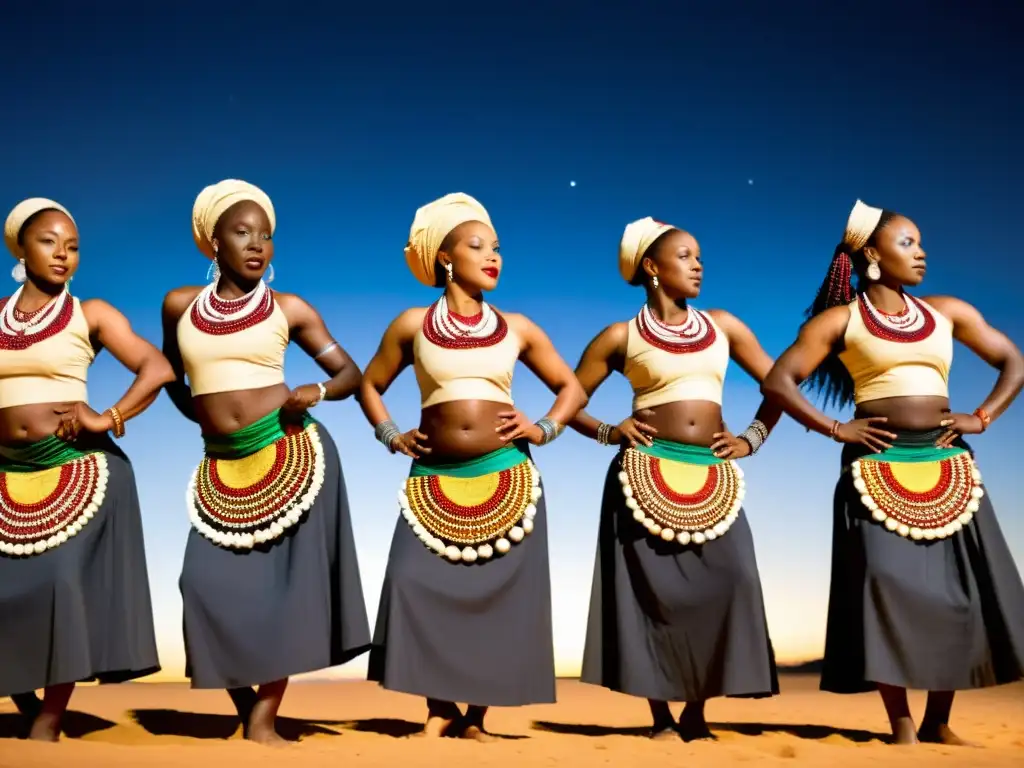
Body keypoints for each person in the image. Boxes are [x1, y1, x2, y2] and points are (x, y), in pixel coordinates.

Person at [761, 199, 1024, 745]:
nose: (922, 252)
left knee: (955, 594)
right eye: (908, 243)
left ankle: (937, 722)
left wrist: (982, 416)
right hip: (874, 466)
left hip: (948, 461)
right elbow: (779, 381)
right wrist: (835, 429)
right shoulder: (840, 321)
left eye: (921, 242)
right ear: (872, 256)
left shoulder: (947, 311)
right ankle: (901, 725)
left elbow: (1013, 361)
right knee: (885, 588)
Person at [361, 192, 587, 741]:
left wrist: (545, 428)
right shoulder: (411, 324)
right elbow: (370, 384)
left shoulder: (518, 327)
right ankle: (439, 710)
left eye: (498, 248)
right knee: (414, 584)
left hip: (508, 472)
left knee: (502, 602)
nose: (493, 256)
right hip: (432, 477)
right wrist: (390, 433)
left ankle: (476, 719)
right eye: (478, 245)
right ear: (445, 257)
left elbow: (571, 387)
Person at [160, 179, 371, 744]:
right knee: (197, 584)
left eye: (267, 236)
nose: (257, 245)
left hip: (292, 456)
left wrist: (317, 392)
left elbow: (350, 374)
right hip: (222, 465)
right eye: (242, 232)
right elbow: (168, 377)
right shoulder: (179, 306)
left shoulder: (289, 309)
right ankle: (243, 702)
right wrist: (208, 424)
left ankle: (261, 718)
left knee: (287, 594)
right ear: (213, 244)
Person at [572, 216, 780, 741]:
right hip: (643, 474)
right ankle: (662, 718)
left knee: (734, 578)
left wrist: (752, 437)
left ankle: (697, 713)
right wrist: (608, 431)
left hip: (712, 474)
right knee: (649, 596)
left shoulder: (724, 326)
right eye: (685, 255)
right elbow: (567, 401)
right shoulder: (620, 336)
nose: (698, 265)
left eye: (699, 256)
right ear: (651, 268)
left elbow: (781, 382)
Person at [0, 198, 170, 741]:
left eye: (72, 247)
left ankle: (48, 724)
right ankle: (22, 685)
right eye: (49, 242)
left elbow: (157, 366)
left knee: (59, 585)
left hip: (78, 469)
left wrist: (109, 417)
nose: (63, 255)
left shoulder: (89, 313)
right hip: (8, 471)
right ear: (21, 249)